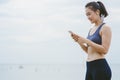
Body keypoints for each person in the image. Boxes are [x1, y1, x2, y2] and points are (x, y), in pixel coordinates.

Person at [69, 1, 112, 80]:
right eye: (86, 15)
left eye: (89, 14)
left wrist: (86, 41)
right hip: (89, 67)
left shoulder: (105, 28)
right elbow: (89, 51)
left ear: (97, 12)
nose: (88, 17)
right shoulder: (91, 29)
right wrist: (79, 41)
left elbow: (105, 50)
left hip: (100, 67)